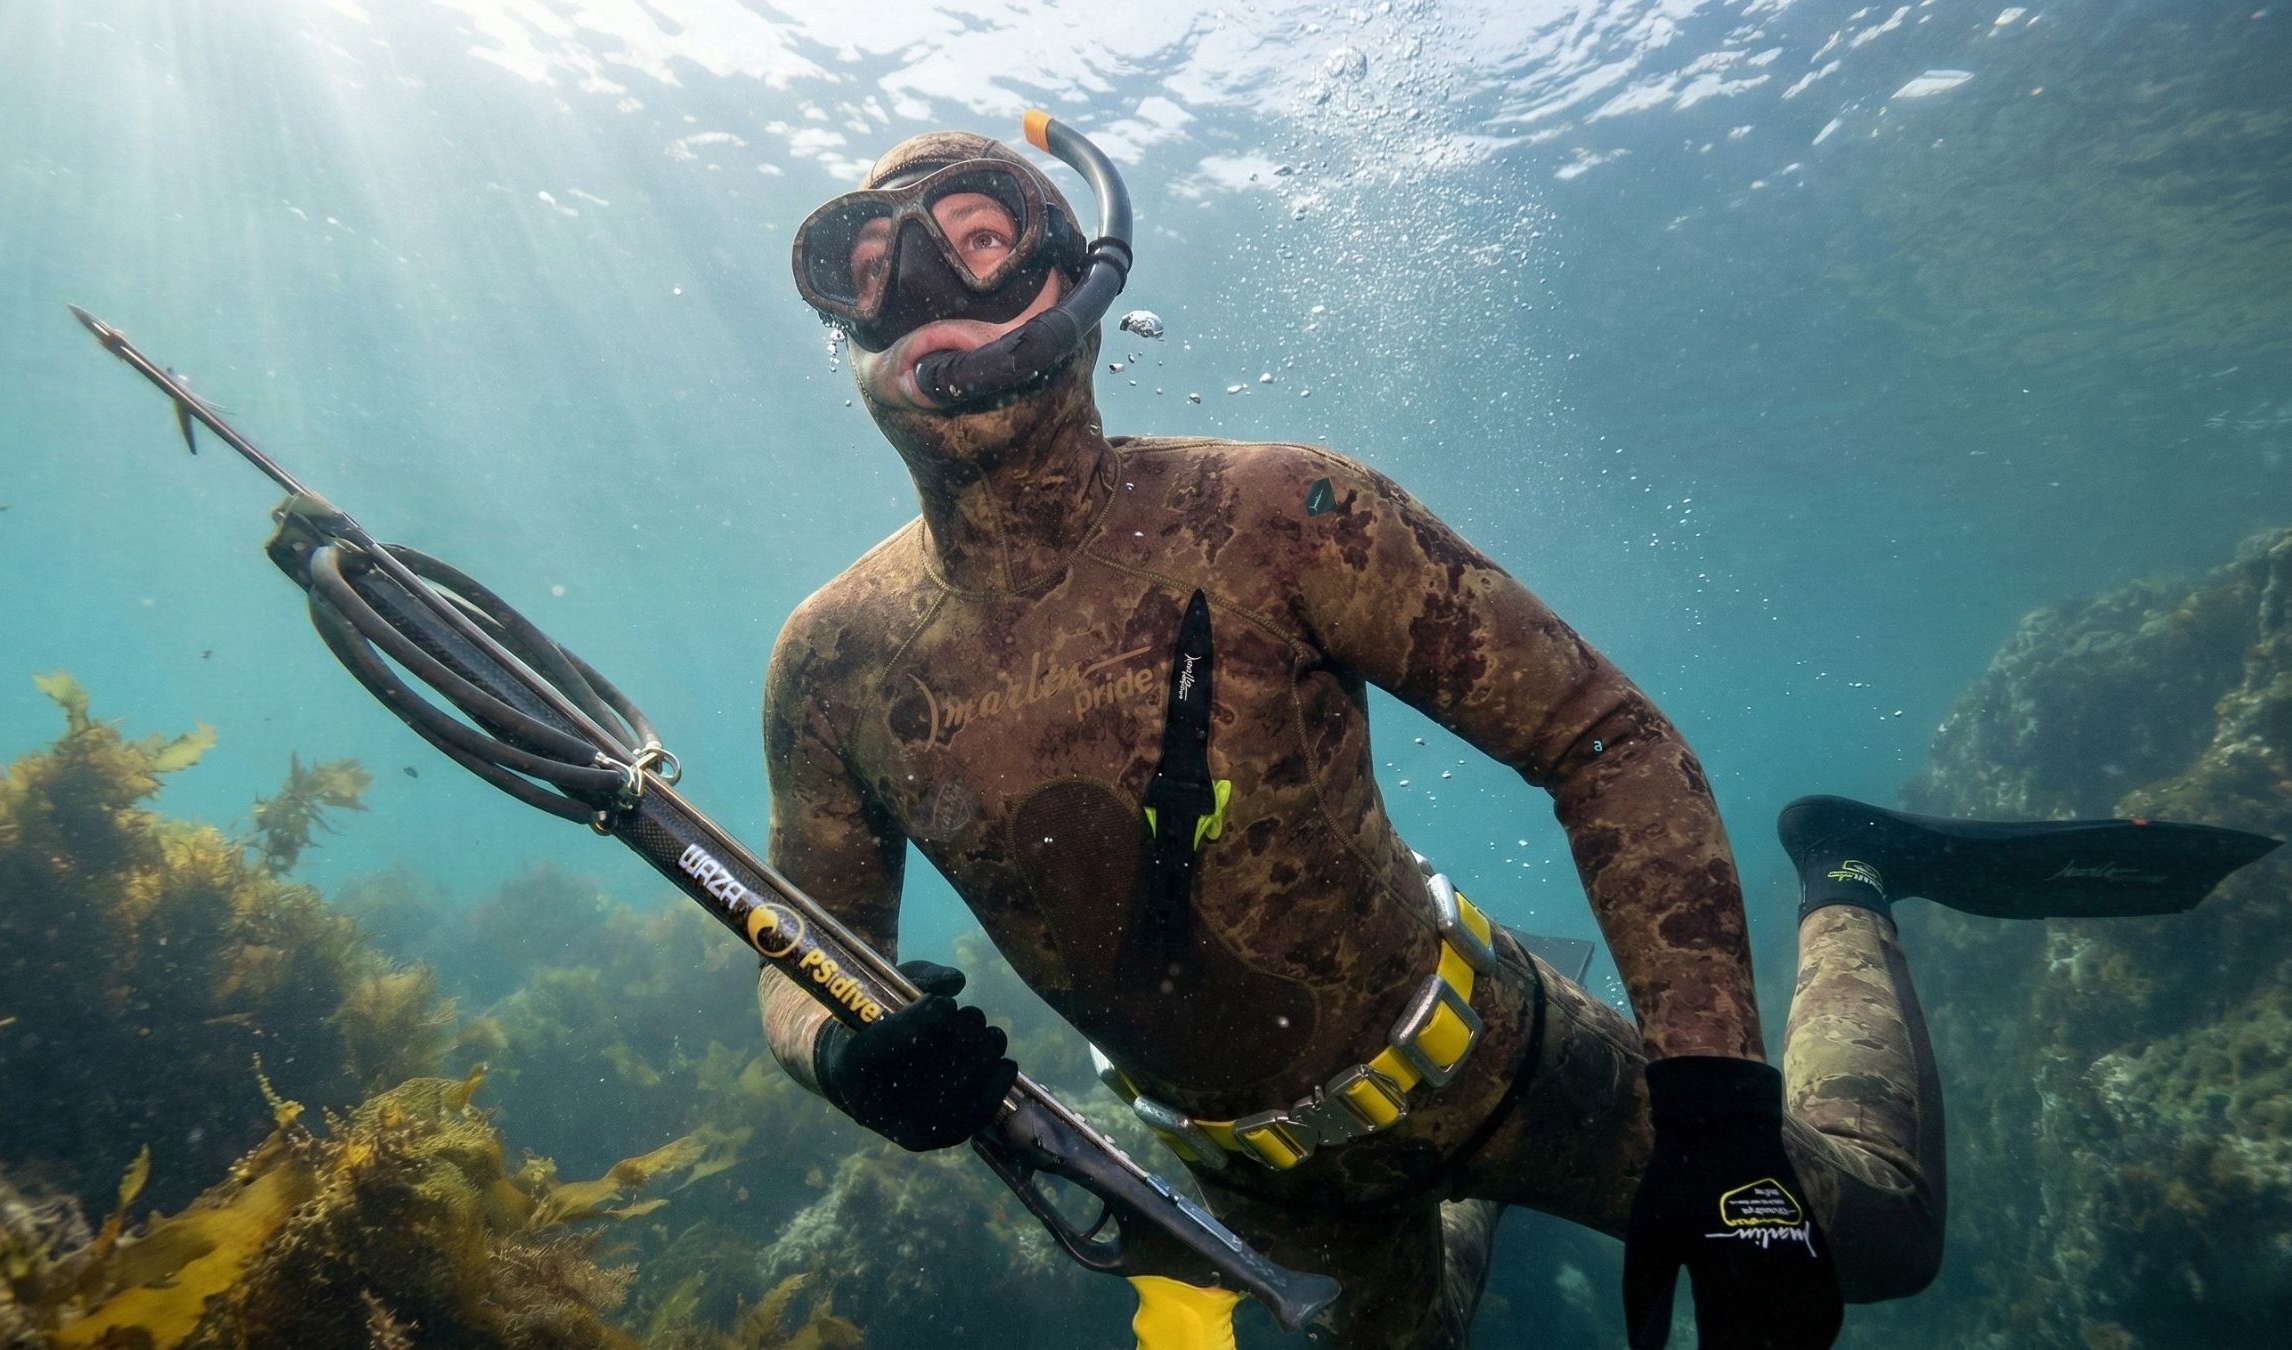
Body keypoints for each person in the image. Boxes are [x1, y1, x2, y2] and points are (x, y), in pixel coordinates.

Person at [756, 124, 1933, 1350]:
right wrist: (847, 1054)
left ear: (1083, 279)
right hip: (1264, 1190)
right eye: (874, 267)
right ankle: (1460, 1214)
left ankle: (1846, 871)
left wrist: (1720, 1119)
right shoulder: (828, 668)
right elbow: (797, 963)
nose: (928, 295)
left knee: (1889, 1241)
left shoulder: (1286, 515)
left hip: (1503, 1069)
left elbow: (1607, 745)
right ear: (844, 333)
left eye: (983, 238)